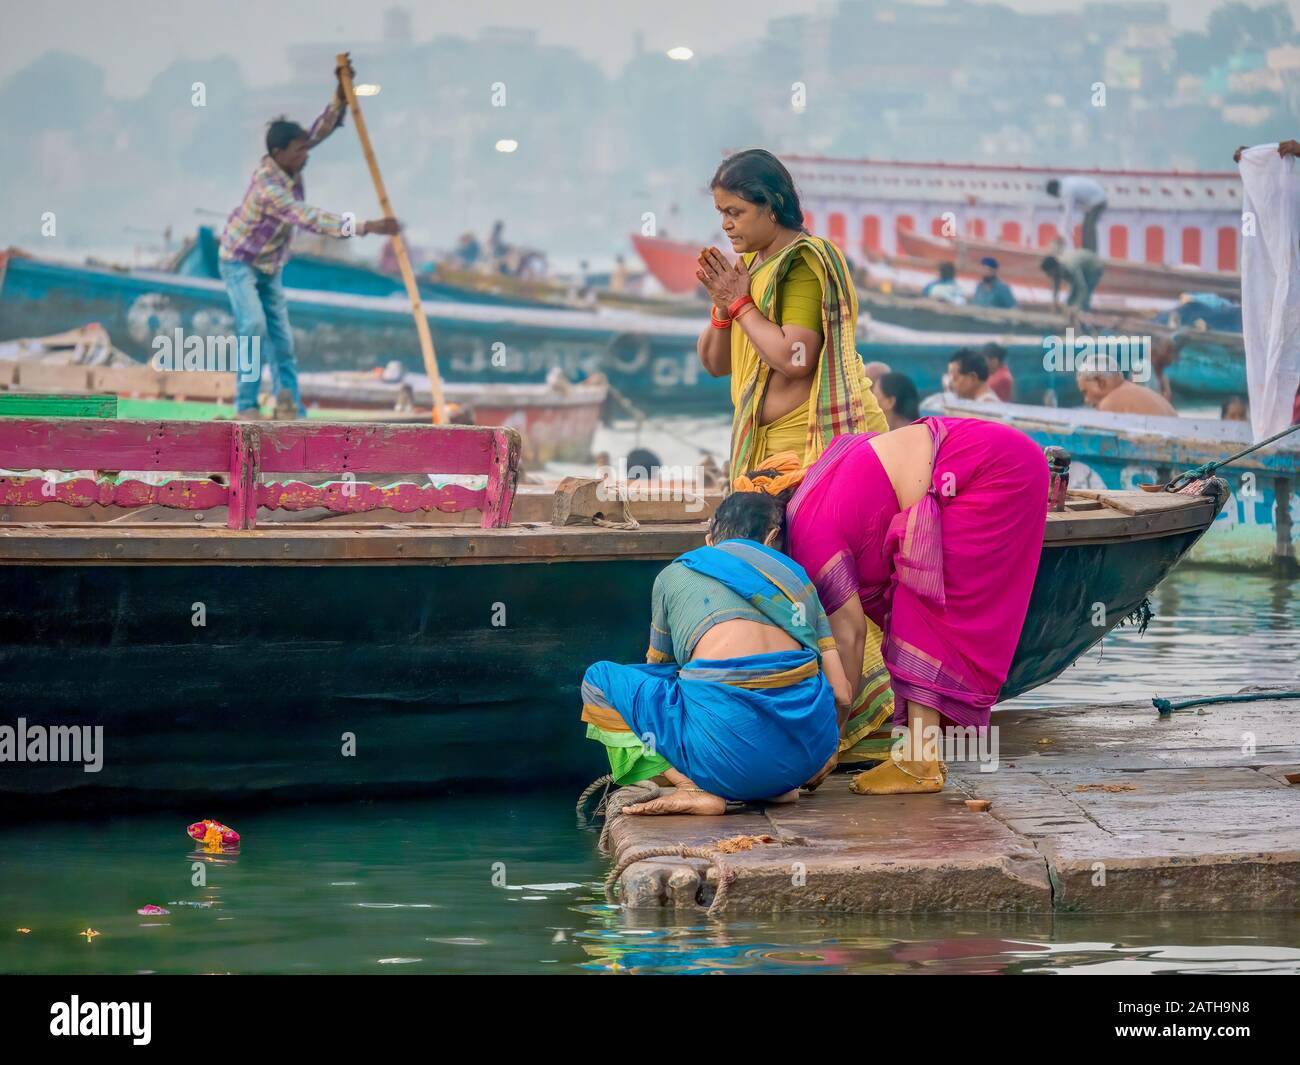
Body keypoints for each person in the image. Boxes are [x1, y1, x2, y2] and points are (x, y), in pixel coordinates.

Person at [712, 418, 1048, 793]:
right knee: (911, 598)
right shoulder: (808, 495)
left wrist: (830, 743)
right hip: (996, 456)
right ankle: (923, 754)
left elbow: (850, 636)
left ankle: (918, 762)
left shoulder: (810, 534)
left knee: (918, 602)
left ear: (773, 540)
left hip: (991, 469)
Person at [693, 148, 894, 762]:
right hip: (766, 452)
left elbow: (795, 358)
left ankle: (857, 725)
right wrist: (728, 306)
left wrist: (743, 301)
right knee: (779, 580)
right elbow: (715, 363)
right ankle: (799, 714)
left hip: (820, 447)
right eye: (720, 213)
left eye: (736, 211)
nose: (726, 225)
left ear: (772, 204)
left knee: (830, 581)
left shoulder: (802, 264)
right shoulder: (749, 268)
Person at [580, 512, 850, 815]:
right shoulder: (795, 575)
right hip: (802, 762)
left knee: (599, 680)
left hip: (722, 761)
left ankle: (691, 788)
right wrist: (830, 749)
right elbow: (842, 694)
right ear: (772, 539)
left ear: (710, 541)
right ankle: (773, 788)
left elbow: (658, 664)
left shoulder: (676, 572)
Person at [218, 58, 400, 420]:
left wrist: (340, 96)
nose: (305, 154)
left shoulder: (293, 161)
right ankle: (246, 406)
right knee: (253, 326)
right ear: (278, 154)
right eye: (298, 150)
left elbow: (320, 130)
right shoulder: (270, 187)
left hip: (269, 264)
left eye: (304, 149)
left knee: (282, 340)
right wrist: (364, 226)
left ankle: (291, 406)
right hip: (239, 260)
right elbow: (309, 218)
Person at [1076, 367, 1178, 416]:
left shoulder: (1110, 402)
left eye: (1086, 392)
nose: (1086, 400)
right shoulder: (1136, 390)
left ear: (1101, 382)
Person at [1046, 175, 1107, 252]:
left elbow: (1068, 213)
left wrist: (1063, 231)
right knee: (1086, 226)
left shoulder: (1066, 190)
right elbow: (1069, 207)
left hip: (1098, 200)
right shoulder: (1064, 183)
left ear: (1055, 191)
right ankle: (1086, 251)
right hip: (1093, 201)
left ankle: (1091, 253)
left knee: (1089, 226)